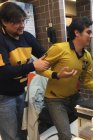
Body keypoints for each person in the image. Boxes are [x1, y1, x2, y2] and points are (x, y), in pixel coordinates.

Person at [40, 16, 93, 140]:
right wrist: (56, 75)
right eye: (88, 32)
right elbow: (39, 69)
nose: (90, 36)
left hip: (74, 96)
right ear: (76, 33)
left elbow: (86, 80)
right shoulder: (59, 48)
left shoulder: (87, 56)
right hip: (55, 99)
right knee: (65, 135)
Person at [0, 2, 49, 140]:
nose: (22, 25)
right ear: (4, 21)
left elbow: (44, 54)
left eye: (23, 21)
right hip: (3, 96)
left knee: (23, 131)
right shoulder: (1, 40)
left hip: (21, 92)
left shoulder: (26, 36)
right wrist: (33, 66)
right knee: (10, 135)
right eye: (16, 22)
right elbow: (3, 72)